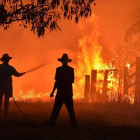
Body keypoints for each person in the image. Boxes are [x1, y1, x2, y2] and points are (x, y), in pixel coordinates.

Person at [44, 53, 77, 127]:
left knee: (56, 109)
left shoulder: (58, 70)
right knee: (71, 110)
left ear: (61, 61)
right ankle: (74, 124)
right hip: (68, 93)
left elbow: (57, 82)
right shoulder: (71, 70)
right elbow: (72, 81)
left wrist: (52, 92)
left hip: (60, 93)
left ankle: (51, 123)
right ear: (67, 61)